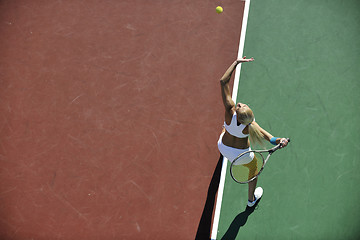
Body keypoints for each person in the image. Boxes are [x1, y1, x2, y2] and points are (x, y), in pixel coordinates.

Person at [217, 57, 289, 207]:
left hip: (222, 147)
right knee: (254, 172)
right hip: (242, 157)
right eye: (241, 105)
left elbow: (223, 81)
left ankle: (224, 152)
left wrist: (236, 62)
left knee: (225, 127)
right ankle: (251, 200)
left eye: (241, 105)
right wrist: (281, 140)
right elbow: (271, 138)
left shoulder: (229, 111)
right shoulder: (251, 125)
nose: (240, 103)